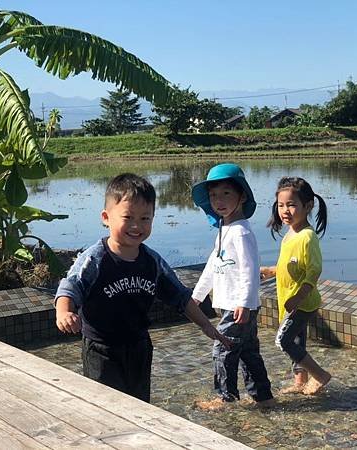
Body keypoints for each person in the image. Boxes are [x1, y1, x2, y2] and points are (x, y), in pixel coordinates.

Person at [54, 173, 230, 403]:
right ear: (106, 217)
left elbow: (180, 296)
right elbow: (70, 287)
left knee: (139, 404)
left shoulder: (152, 262)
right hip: (101, 348)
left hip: (139, 345)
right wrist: (64, 312)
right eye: (128, 217)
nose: (137, 226)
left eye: (145, 218)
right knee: (107, 405)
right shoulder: (95, 259)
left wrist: (207, 325)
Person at [191, 163, 275, 410]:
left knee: (222, 350)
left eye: (226, 193)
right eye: (214, 195)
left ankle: (225, 398)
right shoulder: (223, 229)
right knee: (248, 353)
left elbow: (250, 270)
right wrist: (196, 297)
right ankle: (263, 397)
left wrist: (244, 303)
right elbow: (211, 266)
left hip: (238, 306)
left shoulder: (241, 232)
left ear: (242, 196)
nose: (219, 200)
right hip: (234, 305)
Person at [260, 176, 332, 395]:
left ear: (308, 205)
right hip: (289, 299)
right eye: (281, 205)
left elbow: (314, 270)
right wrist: (270, 271)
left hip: (301, 302)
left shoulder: (308, 237)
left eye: (291, 205)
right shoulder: (291, 233)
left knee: (283, 341)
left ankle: (320, 375)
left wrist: (298, 298)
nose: (285, 211)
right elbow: (289, 264)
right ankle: (301, 382)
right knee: (297, 340)